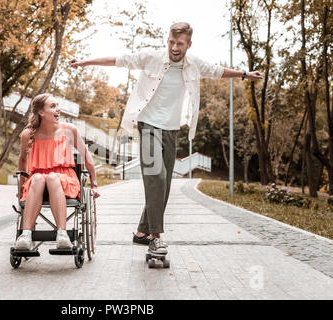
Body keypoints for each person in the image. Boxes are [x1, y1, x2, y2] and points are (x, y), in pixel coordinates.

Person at [69, 22, 263, 255]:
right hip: (148, 124)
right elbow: (118, 60)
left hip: (171, 130)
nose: (174, 47)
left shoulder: (193, 65)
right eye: (171, 42)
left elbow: (217, 71)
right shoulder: (151, 57)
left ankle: (141, 232)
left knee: (165, 184)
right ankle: (155, 237)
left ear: (189, 44)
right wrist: (84, 62)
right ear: (167, 39)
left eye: (179, 44)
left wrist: (244, 74)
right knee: (155, 177)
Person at [15, 93, 100, 251]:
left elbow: (86, 156)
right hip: (37, 181)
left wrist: (94, 184)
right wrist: (21, 187)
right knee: (39, 178)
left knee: (53, 177)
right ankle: (26, 235)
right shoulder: (28, 134)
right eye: (53, 106)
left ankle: (62, 233)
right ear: (41, 112)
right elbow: (22, 161)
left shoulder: (69, 130)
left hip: (65, 179)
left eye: (57, 105)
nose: (58, 109)